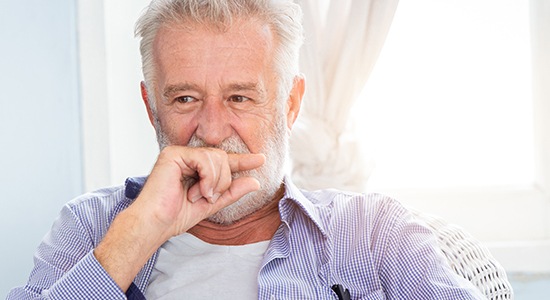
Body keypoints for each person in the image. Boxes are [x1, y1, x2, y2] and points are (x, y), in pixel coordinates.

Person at [8, 0, 485, 299]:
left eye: (240, 97)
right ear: (152, 106)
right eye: (186, 99)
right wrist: (137, 234)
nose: (213, 132)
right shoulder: (91, 227)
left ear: (291, 103)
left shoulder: (377, 233)